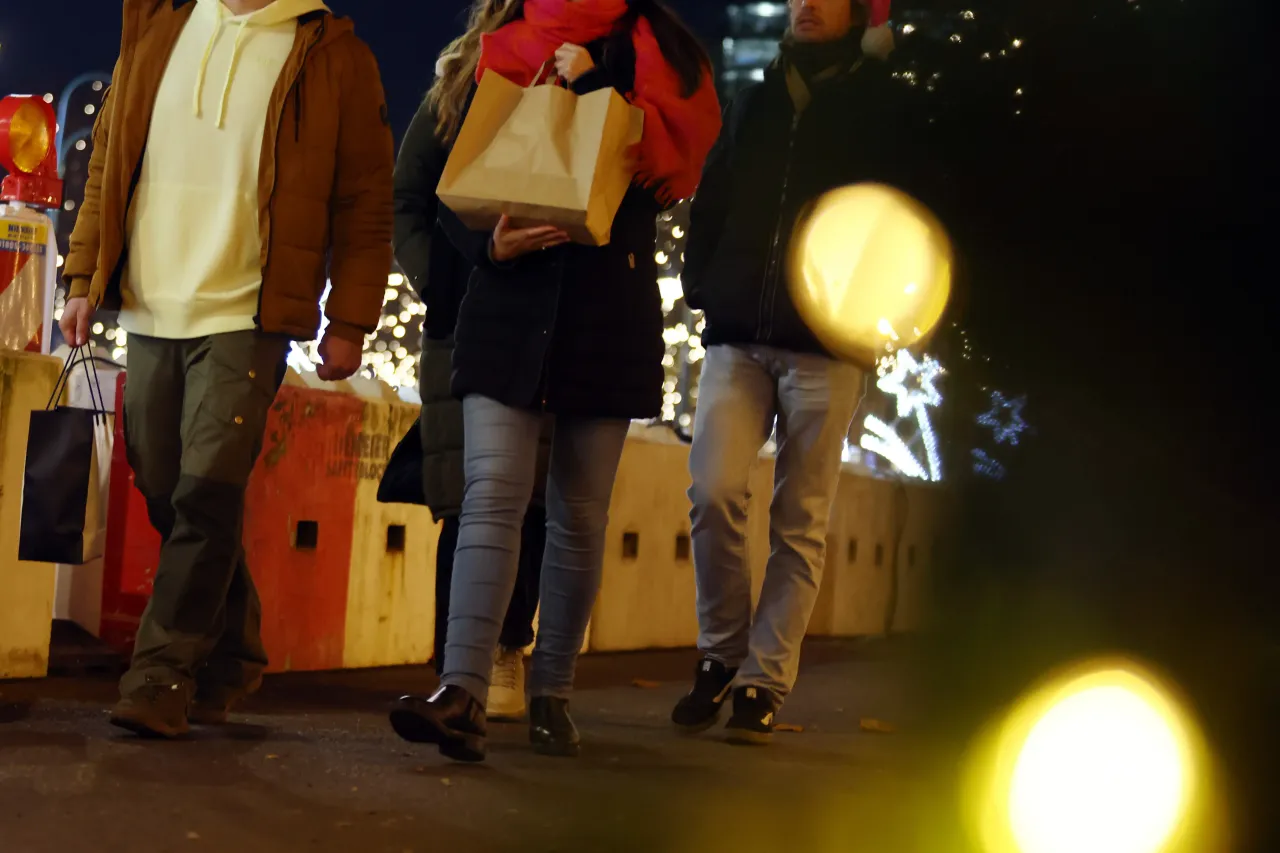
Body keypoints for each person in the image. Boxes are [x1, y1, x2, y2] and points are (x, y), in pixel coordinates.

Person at [389, 0, 721, 762]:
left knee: (578, 514)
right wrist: (488, 248)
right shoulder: (504, 48)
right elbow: (449, 182)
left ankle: (553, 690)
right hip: (508, 302)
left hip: (610, 307)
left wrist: (605, 82)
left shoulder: (660, 53)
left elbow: (681, 166)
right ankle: (463, 689)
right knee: (491, 494)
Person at [59, 0, 393, 738]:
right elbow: (109, 159)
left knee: (208, 490)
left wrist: (351, 319)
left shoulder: (333, 55)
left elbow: (368, 199)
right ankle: (233, 647)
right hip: (150, 302)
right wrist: (83, 277)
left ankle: (159, 673)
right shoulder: (160, 29)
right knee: (164, 482)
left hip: (251, 311)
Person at [673, 0, 928, 744]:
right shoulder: (755, 97)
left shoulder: (887, 108)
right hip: (738, 333)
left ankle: (763, 678)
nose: (805, 5)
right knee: (713, 490)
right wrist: (702, 284)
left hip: (829, 343)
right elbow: (714, 196)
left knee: (800, 521)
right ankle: (720, 655)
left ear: (859, 14)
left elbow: (905, 218)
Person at [387, 0, 553, 722]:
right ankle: (456, 666)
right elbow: (406, 199)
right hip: (462, 319)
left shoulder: (584, 69)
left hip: (552, 316)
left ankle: (511, 644)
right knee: (467, 496)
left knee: (537, 499)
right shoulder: (459, 80)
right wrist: (443, 278)